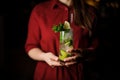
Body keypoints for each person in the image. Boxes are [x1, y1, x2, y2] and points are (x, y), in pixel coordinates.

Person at [25, 0, 99, 80]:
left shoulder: (91, 12)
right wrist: (44, 56)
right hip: (47, 74)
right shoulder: (40, 10)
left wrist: (85, 54)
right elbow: (31, 46)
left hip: (79, 75)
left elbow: (97, 48)